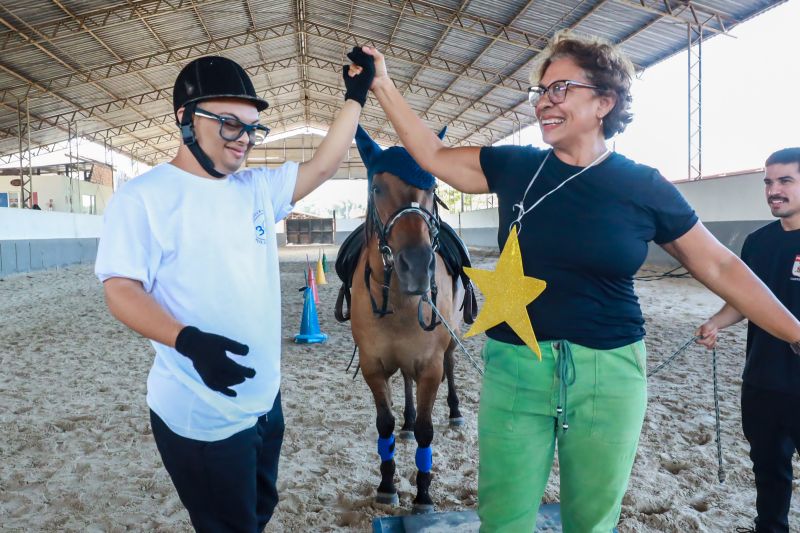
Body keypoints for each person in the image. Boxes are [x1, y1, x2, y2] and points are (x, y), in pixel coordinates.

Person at [351, 35, 800, 532]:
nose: (544, 100)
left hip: (608, 372)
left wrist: (794, 332)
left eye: (560, 88)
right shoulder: (513, 166)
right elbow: (432, 153)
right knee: (503, 517)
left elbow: (718, 267)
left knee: (591, 519)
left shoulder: (643, 185)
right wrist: (383, 84)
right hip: (517, 367)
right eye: (540, 91)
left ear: (604, 101)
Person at [94, 51, 374, 532]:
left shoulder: (257, 189)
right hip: (201, 416)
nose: (243, 138)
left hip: (265, 402)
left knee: (258, 513)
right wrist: (187, 340)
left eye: (250, 127)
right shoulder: (144, 197)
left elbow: (326, 164)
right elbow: (120, 288)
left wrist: (355, 96)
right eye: (228, 123)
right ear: (185, 118)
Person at [697, 148, 800, 533]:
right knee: (769, 469)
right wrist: (717, 322)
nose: (774, 190)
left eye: (785, 180)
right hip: (762, 380)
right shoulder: (757, 243)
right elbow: (744, 302)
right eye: (769, 182)